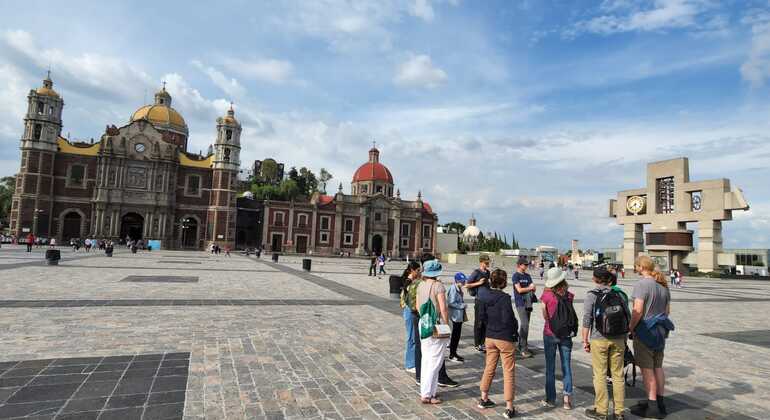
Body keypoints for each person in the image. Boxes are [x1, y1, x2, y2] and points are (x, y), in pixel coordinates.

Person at [583, 268, 631, 420]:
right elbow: (627, 316)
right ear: (609, 280)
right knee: (618, 376)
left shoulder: (591, 295)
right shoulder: (619, 294)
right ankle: (619, 412)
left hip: (599, 338)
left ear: (594, 279)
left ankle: (602, 411)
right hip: (618, 339)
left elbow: (587, 319)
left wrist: (585, 339)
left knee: (600, 375)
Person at [629, 256, 673, 419]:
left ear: (641, 267)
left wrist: (631, 327)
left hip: (645, 331)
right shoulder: (663, 287)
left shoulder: (642, 285)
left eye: (637, 266)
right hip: (660, 331)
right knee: (658, 367)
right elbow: (667, 312)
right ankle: (660, 402)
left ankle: (652, 406)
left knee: (647, 370)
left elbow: (638, 310)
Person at [477, 268, 518, 419]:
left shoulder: (485, 296)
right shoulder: (505, 298)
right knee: (508, 372)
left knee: (489, 367)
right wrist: (514, 333)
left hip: (490, 335)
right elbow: (508, 318)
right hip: (504, 336)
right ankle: (509, 407)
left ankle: (484, 397)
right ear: (503, 282)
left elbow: (481, 316)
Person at [541, 267, 575, 410]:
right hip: (566, 335)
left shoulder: (546, 296)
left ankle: (551, 399)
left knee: (550, 368)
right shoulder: (569, 295)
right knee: (566, 367)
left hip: (550, 333)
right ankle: (567, 400)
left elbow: (544, 314)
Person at [417, 259, 450, 404]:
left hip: (423, 322)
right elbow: (443, 308)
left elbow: (418, 307)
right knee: (435, 360)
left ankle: (427, 391)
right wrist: (446, 324)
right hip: (436, 324)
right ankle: (428, 394)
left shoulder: (420, 285)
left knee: (426, 358)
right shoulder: (438, 286)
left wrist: (425, 319)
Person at [465, 254, 491, 352]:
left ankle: (483, 342)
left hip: (487, 300)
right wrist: (479, 283)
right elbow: (467, 285)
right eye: (486, 262)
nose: (487, 264)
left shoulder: (488, 272)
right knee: (479, 323)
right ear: (481, 262)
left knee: (485, 322)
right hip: (479, 300)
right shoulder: (476, 272)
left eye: (488, 262)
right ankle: (477, 343)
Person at [512, 256, 536, 358]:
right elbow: (519, 290)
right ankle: (523, 348)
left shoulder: (528, 276)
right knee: (525, 324)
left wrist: (531, 288)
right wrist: (529, 288)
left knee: (524, 325)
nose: (526, 266)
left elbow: (533, 288)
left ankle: (520, 344)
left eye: (527, 264)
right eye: (525, 264)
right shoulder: (516, 276)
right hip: (520, 303)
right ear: (519, 265)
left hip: (528, 302)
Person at [400, 261, 421, 374]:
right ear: (412, 270)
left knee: (413, 336)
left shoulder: (412, 280)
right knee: (411, 337)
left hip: (411, 310)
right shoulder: (408, 282)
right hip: (409, 310)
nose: (419, 272)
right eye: (418, 270)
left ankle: (413, 361)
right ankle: (410, 364)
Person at [447, 272, 467, 363]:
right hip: (455, 316)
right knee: (455, 335)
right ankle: (452, 354)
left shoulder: (458, 288)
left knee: (457, 335)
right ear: (457, 281)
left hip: (458, 316)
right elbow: (451, 302)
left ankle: (454, 353)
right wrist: (462, 306)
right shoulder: (453, 289)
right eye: (461, 281)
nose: (463, 283)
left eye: (464, 281)